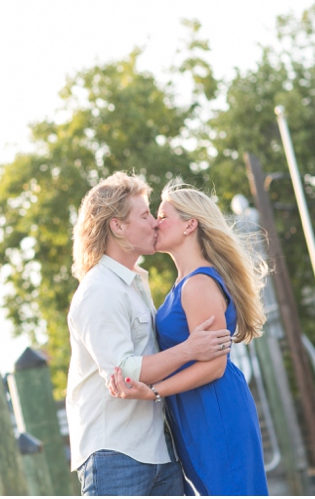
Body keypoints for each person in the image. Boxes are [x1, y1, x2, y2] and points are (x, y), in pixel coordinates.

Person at [66, 172, 233, 496]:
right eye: (144, 215)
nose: (154, 223)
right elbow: (124, 373)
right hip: (115, 455)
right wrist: (189, 349)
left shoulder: (133, 283)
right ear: (117, 226)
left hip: (159, 451)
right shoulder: (99, 291)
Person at [109, 179, 269, 495]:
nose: (155, 222)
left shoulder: (198, 284)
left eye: (163, 215)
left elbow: (214, 367)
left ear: (189, 225)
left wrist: (154, 392)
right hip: (193, 410)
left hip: (215, 409)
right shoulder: (183, 284)